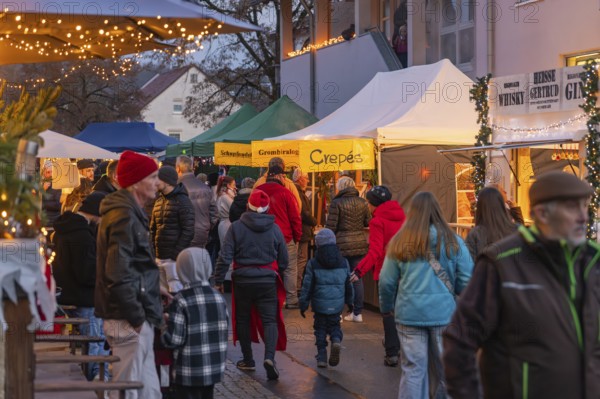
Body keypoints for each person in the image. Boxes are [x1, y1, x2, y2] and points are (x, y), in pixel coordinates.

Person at [443, 171, 600, 399]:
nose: (582, 217)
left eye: (584, 206)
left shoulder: (593, 262)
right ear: (541, 214)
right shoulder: (501, 263)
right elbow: (459, 341)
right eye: (571, 207)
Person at [379, 191, 473, 399]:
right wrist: (455, 295)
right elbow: (467, 278)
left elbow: (386, 281)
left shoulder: (400, 241)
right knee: (446, 371)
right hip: (444, 315)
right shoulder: (453, 240)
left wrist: (386, 308)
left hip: (408, 314)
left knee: (413, 370)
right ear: (437, 211)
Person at [95, 150, 163, 399]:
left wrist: (154, 286)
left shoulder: (128, 213)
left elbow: (128, 266)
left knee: (147, 391)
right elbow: (117, 273)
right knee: (127, 391)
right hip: (127, 318)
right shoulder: (124, 215)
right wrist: (136, 316)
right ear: (137, 182)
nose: (158, 182)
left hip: (132, 316)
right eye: (153, 176)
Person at [214, 189, 288, 380]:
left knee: (243, 319)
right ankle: (269, 357)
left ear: (248, 206)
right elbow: (284, 259)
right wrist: (277, 271)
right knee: (270, 320)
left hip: (243, 281)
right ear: (267, 208)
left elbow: (225, 255)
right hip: (267, 280)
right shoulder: (275, 228)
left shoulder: (236, 227)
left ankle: (248, 359)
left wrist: (218, 280)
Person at [52, 191, 108, 381]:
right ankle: (95, 382)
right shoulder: (82, 235)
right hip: (84, 297)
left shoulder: (65, 229)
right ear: (97, 212)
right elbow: (86, 273)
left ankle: (91, 377)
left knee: (89, 341)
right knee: (94, 341)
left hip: (68, 293)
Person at [162, 248, 229, 399]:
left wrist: (163, 325)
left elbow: (173, 340)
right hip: (213, 368)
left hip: (188, 370)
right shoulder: (219, 298)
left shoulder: (181, 300)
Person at [350, 185, 406, 366]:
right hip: (405, 270)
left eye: (368, 202)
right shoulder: (404, 218)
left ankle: (392, 352)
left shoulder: (377, 222)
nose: (367, 205)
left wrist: (359, 271)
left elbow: (375, 252)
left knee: (388, 312)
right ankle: (398, 344)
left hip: (386, 272)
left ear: (374, 204)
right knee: (401, 311)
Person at [299, 228, 353, 368]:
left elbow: (307, 286)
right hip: (337, 304)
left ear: (317, 244)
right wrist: (351, 302)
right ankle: (336, 340)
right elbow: (348, 284)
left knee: (320, 328)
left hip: (320, 304)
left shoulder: (313, 263)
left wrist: (303, 304)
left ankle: (322, 356)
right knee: (335, 325)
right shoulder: (343, 262)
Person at [256, 165, 302, 309]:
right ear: (277, 176)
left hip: (262, 237)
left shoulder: (257, 191)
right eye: (283, 176)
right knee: (289, 268)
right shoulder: (286, 193)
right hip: (285, 237)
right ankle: (291, 299)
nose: (285, 179)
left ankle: (267, 297)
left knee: (266, 266)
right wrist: (297, 236)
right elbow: (295, 217)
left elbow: (250, 213)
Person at [326, 176, 371, 322]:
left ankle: (338, 313)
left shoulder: (336, 203)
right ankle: (357, 314)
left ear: (341, 187)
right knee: (357, 278)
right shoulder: (363, 203)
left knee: (339, 279)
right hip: (359, 244)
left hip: (341, 245)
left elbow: (330, 227)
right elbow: (368, 222)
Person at [150, 165, 195, 293]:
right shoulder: (158, 201)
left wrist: (175, 255)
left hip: (174, 259)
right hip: (159, 257)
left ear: (166, 181)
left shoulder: (183, 201)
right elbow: (153, 228)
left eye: (157, 179)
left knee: (176, 294)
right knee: (162, 295)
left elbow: (189, 230)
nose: (154, 182)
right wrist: (153, 252)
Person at [176, 155, 218, 248]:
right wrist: (207, 226)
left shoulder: (177, 188)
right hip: (202, 233)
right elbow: (214, 213)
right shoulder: (205, 188)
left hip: (182, 235)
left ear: (178, 169)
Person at [465, 186, 517, 260]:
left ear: (480, 207)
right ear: (501, 204)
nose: (506, 192)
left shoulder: (475, 234)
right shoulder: (515, 229)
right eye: (503, 190)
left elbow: (469, 263)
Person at [293, 168, 317, 291]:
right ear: (300, 179)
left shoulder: (297, 191)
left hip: (301, 230)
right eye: (306, 178)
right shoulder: (298, 192)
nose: (307, 180)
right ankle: (297, 287)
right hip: (302, 231)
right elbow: (303, 213)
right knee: (301, 259)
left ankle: (297, 286)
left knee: (299, 259)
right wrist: (314, 221)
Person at [216, 175, 236, 247]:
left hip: (224, 224)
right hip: (226, 225)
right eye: (233, 185)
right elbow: (234, 208)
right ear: (228, 185)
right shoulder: (225, 196)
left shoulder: (222, 195)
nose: (235, 187)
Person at [41, 160, 62, 227]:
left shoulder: (57, 185)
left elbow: (57, 205)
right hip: (42, 222)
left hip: (53, 222)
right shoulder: (41, 185)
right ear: (44, 173)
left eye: (52, 172)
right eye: (48, 172)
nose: (50, 174)